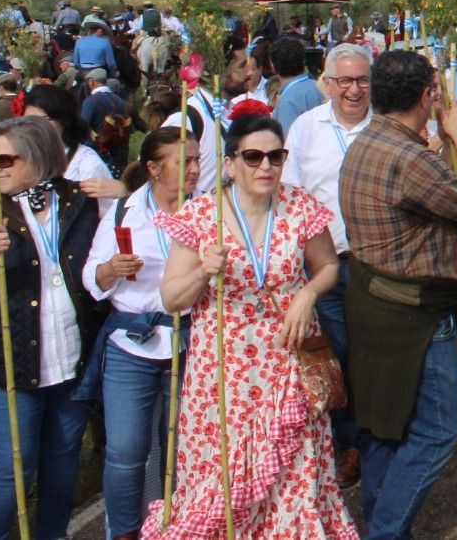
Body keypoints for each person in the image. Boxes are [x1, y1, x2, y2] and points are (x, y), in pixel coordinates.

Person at [149, 111, 353, 538]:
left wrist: (308, 293)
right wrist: (203, 271)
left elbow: (329, 266)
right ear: (229, 163)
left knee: (294, 480)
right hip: (223, 376)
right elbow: (171, 298)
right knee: (222, 479)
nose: (266, 167)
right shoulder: (202, 214)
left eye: (275, 157)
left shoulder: (300, 206)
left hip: (288, 364)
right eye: (253, 157)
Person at [339, 50, 457, 540]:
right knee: (440, 431)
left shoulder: (369, 141)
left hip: (372, 302)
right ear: (427, 96)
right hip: (415, 315)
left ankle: (382, 525)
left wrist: (439, 146)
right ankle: (383, 531)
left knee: (384, 427)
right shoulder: (407, 158)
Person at [0, 117, 104, 540]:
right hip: (12, 367)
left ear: (35, 158)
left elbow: (153, 205)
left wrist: (123, 189)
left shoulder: (79, 199)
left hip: (71, 360)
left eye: (4, 158)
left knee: (62, 462)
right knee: (10, 471)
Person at [82, 127, 199, 540]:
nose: (194, 170)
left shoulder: (207, 210)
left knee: (185, 449)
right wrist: (111, 269)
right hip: (131, 344)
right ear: (153, 168)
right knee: (127, 451)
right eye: (183, 162)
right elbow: (91, 276)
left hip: (191, 343)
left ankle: (180, 525)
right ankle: (125, 531)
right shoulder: (122, 212)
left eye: (198, 160)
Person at [282, 43, 374, 487]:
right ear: (328, 83)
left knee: (374, 354)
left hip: (377, 265)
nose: (353, 90)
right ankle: (351, 443)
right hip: (329, 266)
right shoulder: (304, 128)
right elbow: (289, 195)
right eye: (344, 81)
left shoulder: (387, 125)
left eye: (361, 80)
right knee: (336, 357)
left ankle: (377, 437)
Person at [23, 83, 127, 208]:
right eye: (29, 121)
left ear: (63, 120)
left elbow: (104, 214)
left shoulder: (86, 165)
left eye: (45, 119)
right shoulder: (22, 159)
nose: (36, 127)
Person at [270, 35, 323, 130]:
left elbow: (289, 141)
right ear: (303, 61)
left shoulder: (288, 101)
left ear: (273, 66)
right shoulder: (319, 87)